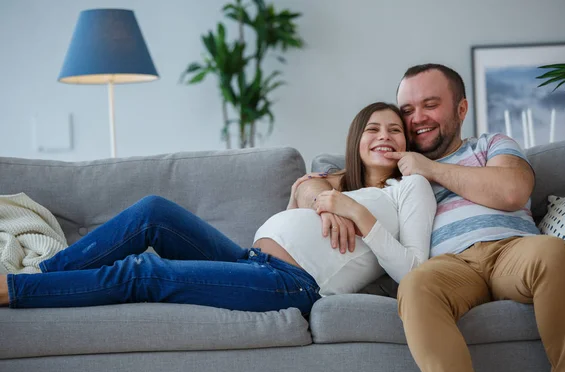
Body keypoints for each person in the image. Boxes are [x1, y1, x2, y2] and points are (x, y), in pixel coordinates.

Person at [294, 64, 565, 372]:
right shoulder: (391, 169)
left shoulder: (489, 145)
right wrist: (320, 200)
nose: (418, 117)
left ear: (461, 108)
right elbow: (314, 184)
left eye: (430, 104)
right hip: (449, 266)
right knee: (415, 285)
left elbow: (512, 190)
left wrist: (429, 168)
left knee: (555, 253)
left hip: (512, 250)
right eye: (408, 110)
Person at [0, 102, 436, 316]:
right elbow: (302, 201)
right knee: (153, 211)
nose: (384, 136)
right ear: (356, 140)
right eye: (373, 128)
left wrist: (356, 214)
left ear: (406, 143)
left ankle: (13, 291)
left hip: (294, 285)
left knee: (144, 273)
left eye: (395, 130)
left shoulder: (410, 188)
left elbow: (415, 274)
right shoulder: (332, 181)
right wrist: (326, 198)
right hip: (251, 258)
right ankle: (40, 274)